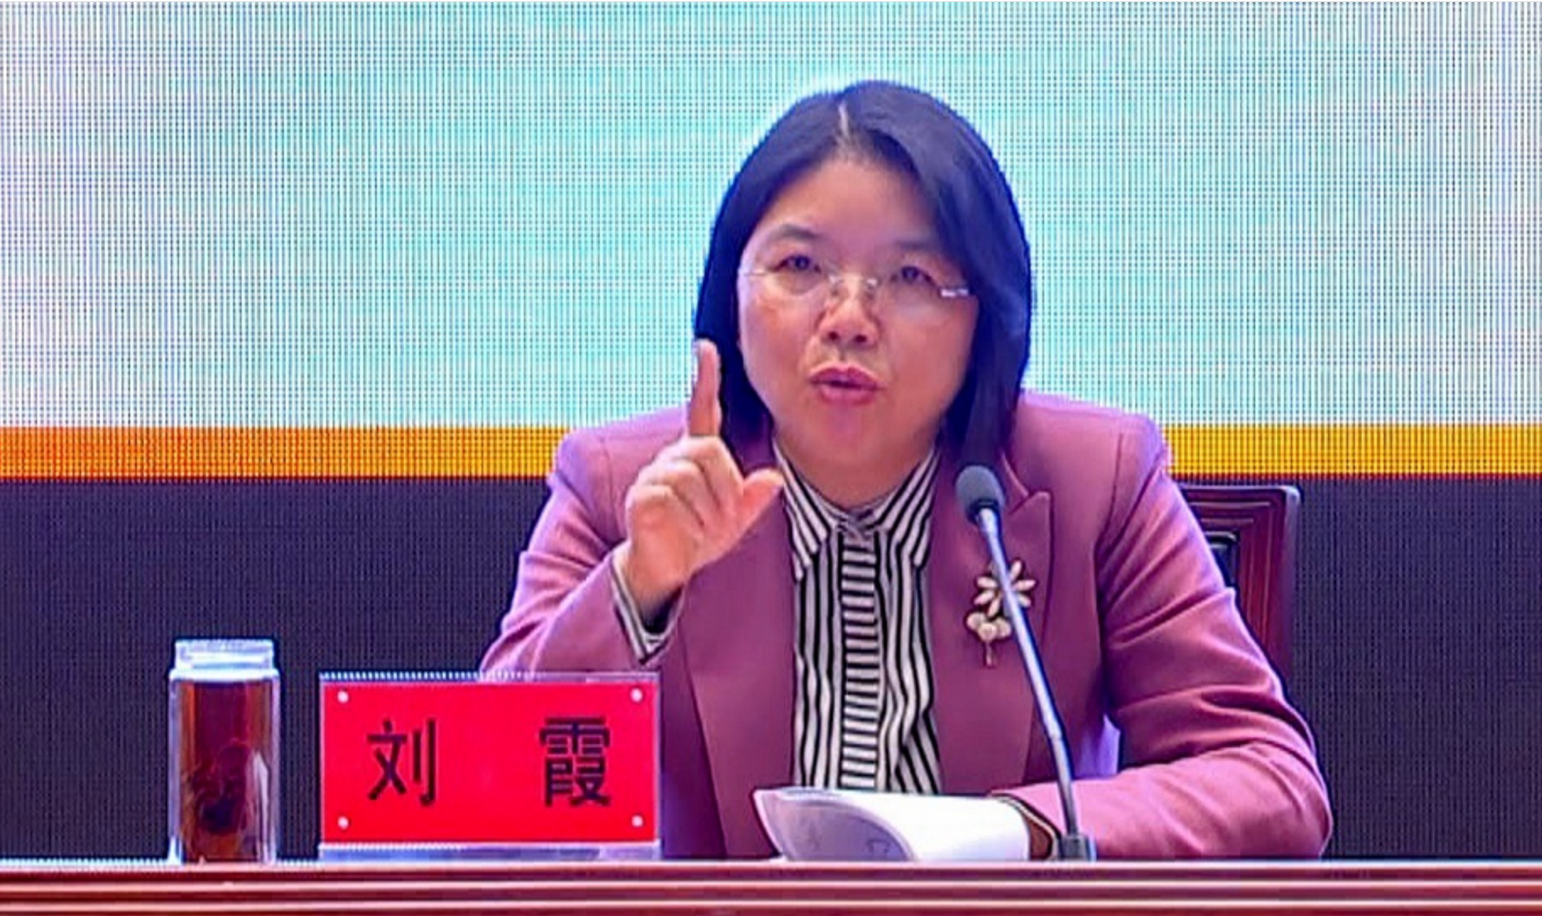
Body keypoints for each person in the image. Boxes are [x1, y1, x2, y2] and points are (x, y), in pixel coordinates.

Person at [482, 81, 1331, 859]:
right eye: (800, 267)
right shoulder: (623, 485)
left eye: (912, 276)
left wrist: (1018, 831)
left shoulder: (1092, 480)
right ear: (728, 294)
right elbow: (487, 805)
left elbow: (1270, 782)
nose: (849, 318)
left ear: (986, 317)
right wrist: (637, 587)